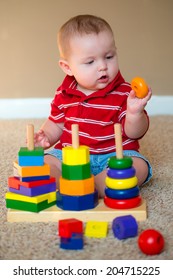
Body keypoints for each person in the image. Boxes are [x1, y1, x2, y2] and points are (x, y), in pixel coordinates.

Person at [34, 14, 152, 198]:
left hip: (114, 156)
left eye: (109, 57)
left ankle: (95, 186)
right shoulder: (64, 93)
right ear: (67, 67)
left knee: (139, 167)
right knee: (45, 163)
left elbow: (134, 133)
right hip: (72, 156)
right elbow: (56, 123)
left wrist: (135, 113)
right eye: (90, 62)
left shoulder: (125, 92)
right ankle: (65, 185)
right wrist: (45, 137)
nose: (103, 66)